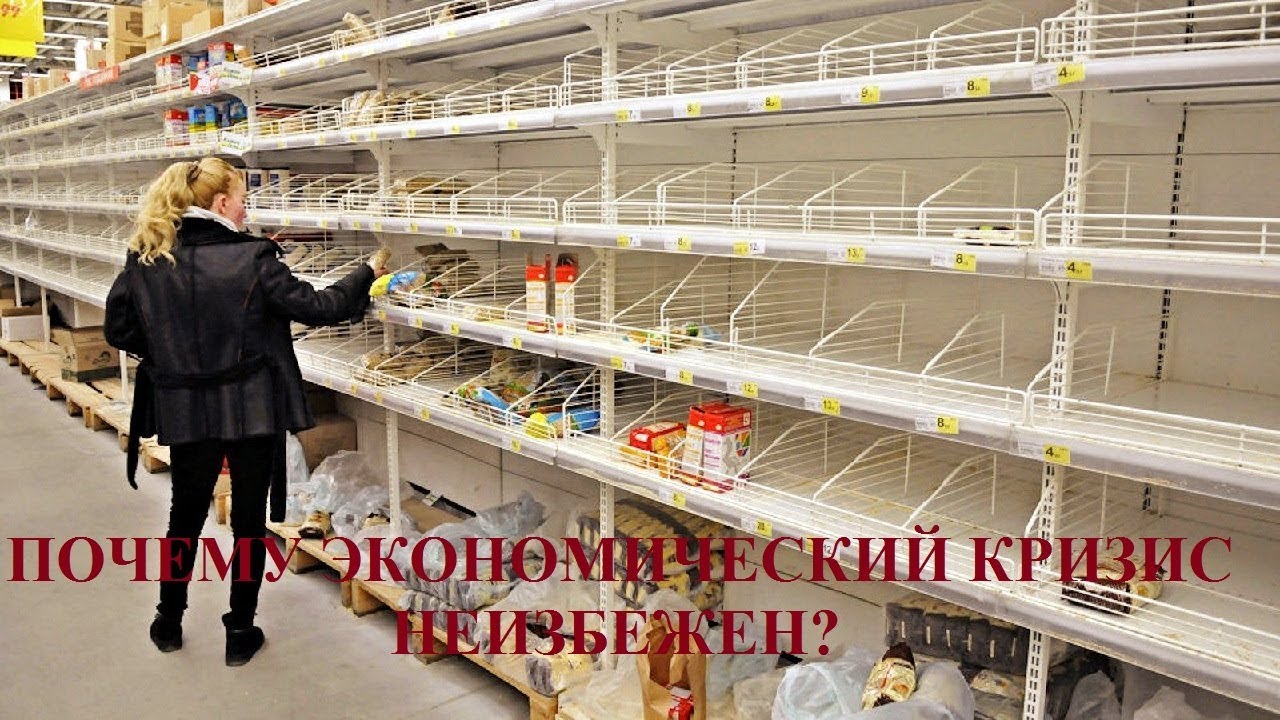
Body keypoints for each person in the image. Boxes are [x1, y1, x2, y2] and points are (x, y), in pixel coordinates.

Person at [104, 157, 388, 666]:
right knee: (249, 523)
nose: (245, 208)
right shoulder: (253, 256)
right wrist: (366, 272)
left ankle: (168, 621)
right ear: (220, 203)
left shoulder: (147, 258)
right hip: (251, 407)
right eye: (241, 198)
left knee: (184, 517)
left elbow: (119, 331)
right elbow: (319, 308)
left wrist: (174, 355)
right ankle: (240, 631)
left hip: (186, 408)